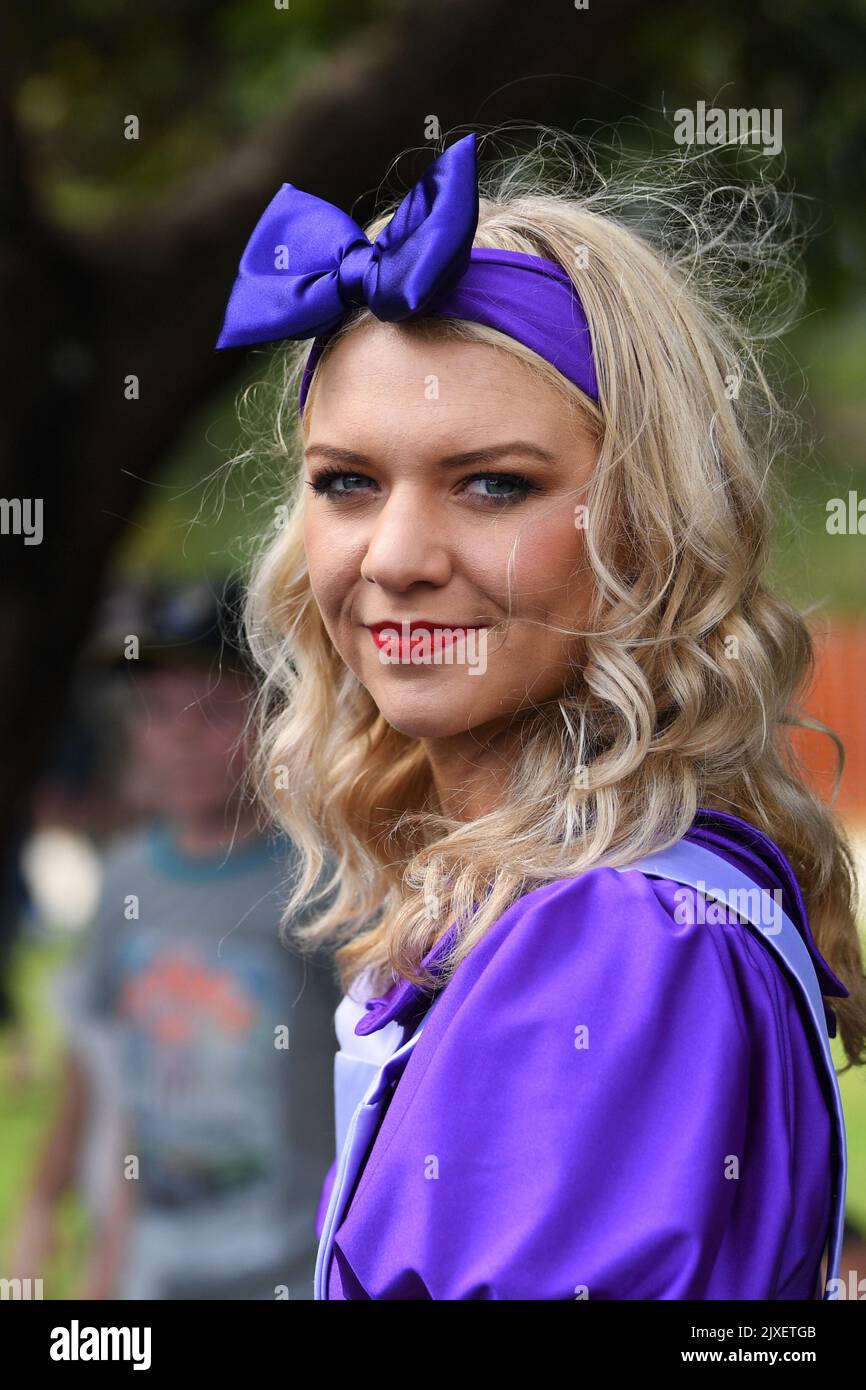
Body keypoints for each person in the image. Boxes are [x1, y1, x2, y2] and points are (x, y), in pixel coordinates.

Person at [214, 128, 866, 1300]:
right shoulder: (581, 901)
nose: (398, 557)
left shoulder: (610, 937)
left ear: (646, 528)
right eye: (346, 482)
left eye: (493, 484)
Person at [13, 578, 339, 1299]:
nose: (182, 735)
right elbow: (96, 1064)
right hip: (153, 1273)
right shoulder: (125, 876)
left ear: (282, 715)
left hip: (290, 1269)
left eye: (216, 710)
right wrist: (45, 1205)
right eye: (157, 711)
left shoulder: (323, 879)